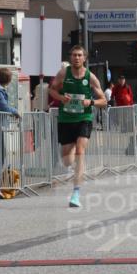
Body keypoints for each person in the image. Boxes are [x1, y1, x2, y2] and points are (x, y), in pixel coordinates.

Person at [49, 45, 107, 208]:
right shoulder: (63, 73)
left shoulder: (91, 77)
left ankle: (76, 193)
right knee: (67, 161)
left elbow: (104, 100)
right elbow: (51, 90)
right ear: (71, 57)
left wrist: (91, 102)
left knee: (80, 151)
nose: (76, 58)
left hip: (84, 118)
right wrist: (61, 98)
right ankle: (73, 149)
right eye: (74, 55)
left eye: (79, 55)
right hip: (66, 119)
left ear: (84, 58)